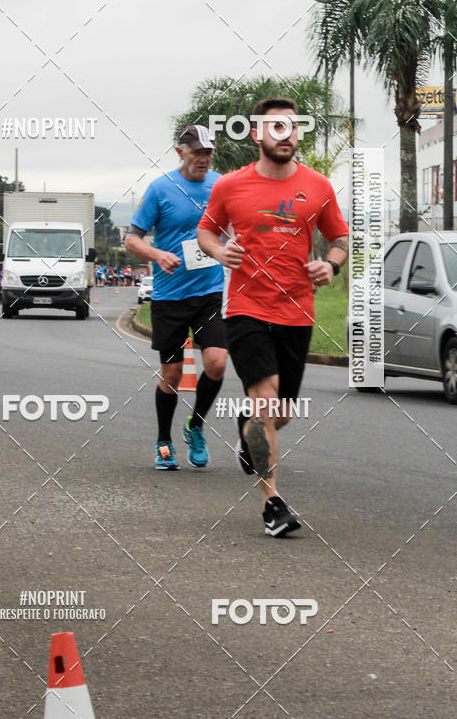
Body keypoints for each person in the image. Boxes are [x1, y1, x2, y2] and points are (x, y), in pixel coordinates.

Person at [197, 97, 349, 537]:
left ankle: (249, 429)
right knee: (266, 401)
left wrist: (332, 264)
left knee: (279, 415)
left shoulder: (318, 186)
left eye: (291, 126)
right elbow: (206, 231)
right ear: (257, 135)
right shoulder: (231, 186)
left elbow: (340, 237)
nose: (285, 134)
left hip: (297, 311)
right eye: (275, 127)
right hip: (246, 307)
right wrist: (218, 251)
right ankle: (272, 504)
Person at [125, 124, 227, 470]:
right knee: (172, 374)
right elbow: (132, 238)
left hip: (210, 292)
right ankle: (163, 442)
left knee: (217, 363)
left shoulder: (220, 186)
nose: (203, 158)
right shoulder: (160, 189)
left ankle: (195, 426)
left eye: (208, 152)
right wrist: (157, 255)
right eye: (197, 152)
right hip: (170, 297)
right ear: (180, 152)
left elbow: (236, 226)